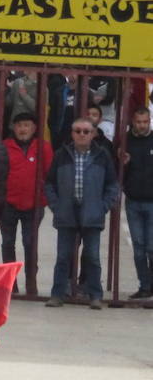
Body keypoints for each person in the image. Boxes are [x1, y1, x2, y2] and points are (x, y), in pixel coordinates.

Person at [44, 117, 120, 309]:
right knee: (63, 257)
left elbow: (112, 185)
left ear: (93, 133)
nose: (82, 135)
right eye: (77, 131)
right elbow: (49, 183)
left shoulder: (102, 155)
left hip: (92, 213)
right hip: (67, 212)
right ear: (72, 133)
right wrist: (56, 205)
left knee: (92, 257)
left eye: (86, 131)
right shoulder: (62, 154)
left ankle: (95, 295)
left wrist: (103, 206)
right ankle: (57, 294)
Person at [1, 112, 52, 297]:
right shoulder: (5, 146)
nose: (23, 129)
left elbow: (50, 174)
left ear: (34, 128)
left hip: (34, 204)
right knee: (7, 244)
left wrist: (44, 198)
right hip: (9, 203)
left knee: (30, 244)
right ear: (14, 127)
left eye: (27, 125)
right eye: (19, 125)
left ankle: (31, 283)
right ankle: (10, 284)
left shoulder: (43, 148)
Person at [124, 107, 153, 299]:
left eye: (145, 121)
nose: (142, 125)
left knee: (151, 246)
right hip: (133, 200)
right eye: (139, 121)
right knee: (139, 247)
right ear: (133, 121)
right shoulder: (126, 140)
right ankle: (145, 286)